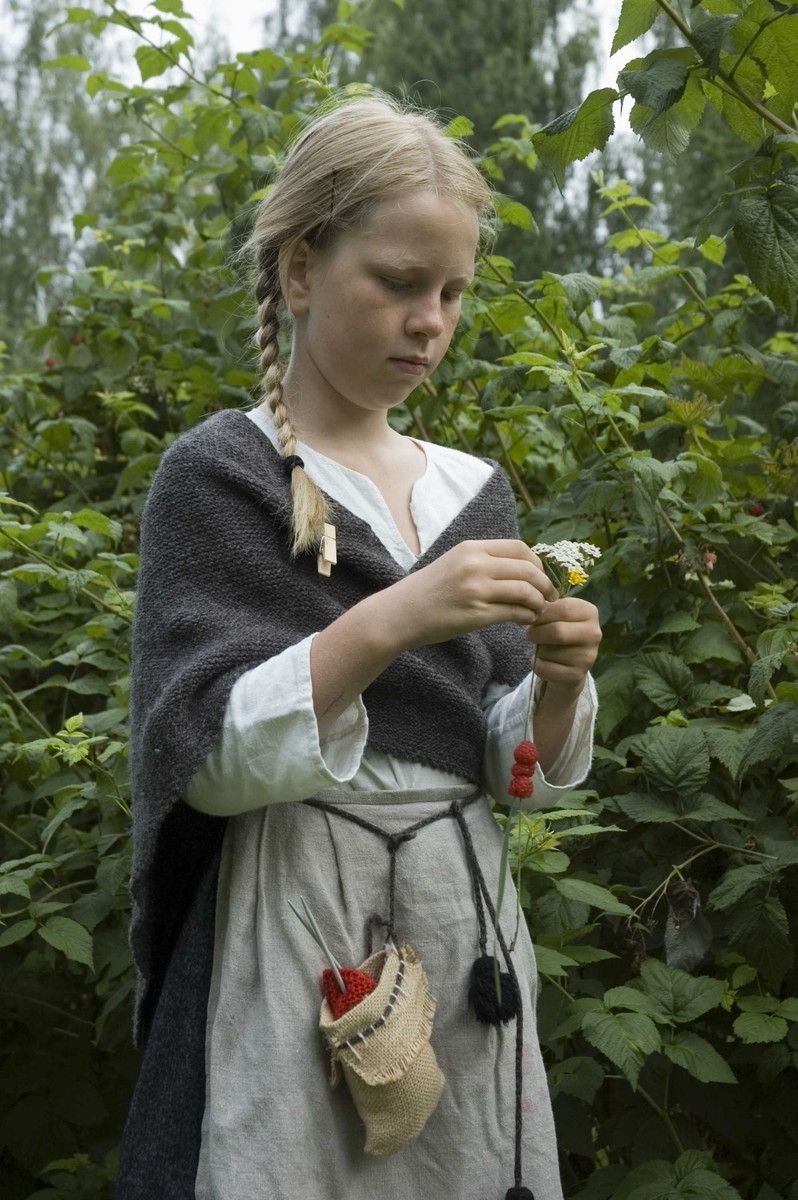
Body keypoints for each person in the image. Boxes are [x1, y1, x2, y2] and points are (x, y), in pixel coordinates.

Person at [115, 90, 602, 1200]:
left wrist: (561, 686)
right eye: (396, 283)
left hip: (460, 913)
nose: (429, 319)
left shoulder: (474, 491)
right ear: (299, 271)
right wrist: (396, 615)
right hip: (297, 915)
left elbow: (511, 770)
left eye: (452, 292)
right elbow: (210, 761)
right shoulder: (221, 476)